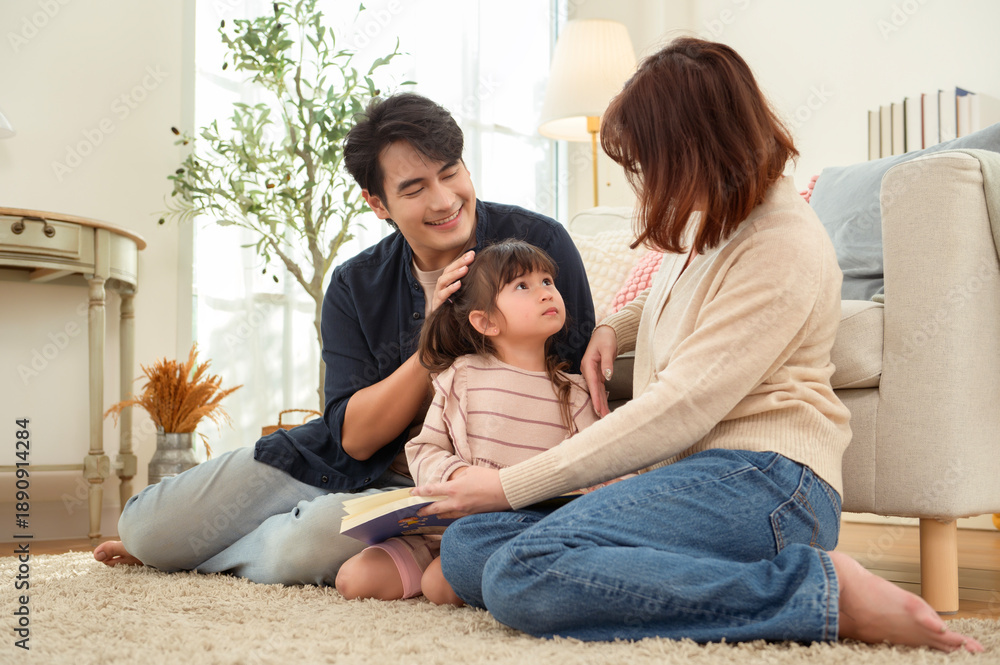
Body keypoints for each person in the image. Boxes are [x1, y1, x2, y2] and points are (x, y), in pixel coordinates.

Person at [411, 38, 984, 653]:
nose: (642, 179)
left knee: (519, 572)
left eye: (647, 161)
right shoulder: (710, 221)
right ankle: (706, 577)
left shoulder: (781, 243)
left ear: (692, 147)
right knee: (472, 546)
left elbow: (680, 407)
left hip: (770, 482)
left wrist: (507, 486)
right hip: (699, 478)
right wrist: (613, 329)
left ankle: (818, 593)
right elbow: (678, 299)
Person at [92, 93, 595, 586]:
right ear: (377, 203)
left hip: (432, 485)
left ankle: (198, 558)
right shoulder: (356, 283)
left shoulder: (539, 246)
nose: (444, 201)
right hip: (335, 460)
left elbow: (573, 383)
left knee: (303, 543)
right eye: (414, 188)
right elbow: (354, 439)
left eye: (450, 173)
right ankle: (173, 549)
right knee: (146, 528)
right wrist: (430, 346)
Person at [336, 240, 600, 605]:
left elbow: (601, 461)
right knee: (352, 579)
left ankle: (460, 569)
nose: (545, 293)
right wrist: (457, 476)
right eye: (522, 286)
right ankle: (440, 563)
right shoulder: (461, 375)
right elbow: (425, 449)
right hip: (442, 525)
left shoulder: (575, 393)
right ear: (485, 321)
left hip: (516, 530)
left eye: (547, 282)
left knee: (439, 584)